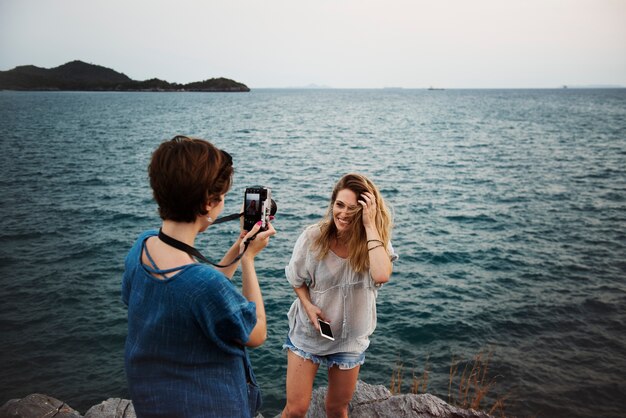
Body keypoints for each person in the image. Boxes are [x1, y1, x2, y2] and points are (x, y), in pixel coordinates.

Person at [121, 135, 276, 418]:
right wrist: (249, 260)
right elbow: (256, 333)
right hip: (209, 407)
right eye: (223, 195)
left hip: (154, 402)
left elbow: (196, 290)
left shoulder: (141, 247)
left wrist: (239, 247)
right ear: (208, 203)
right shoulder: (202, 284)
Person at [281, 173, 397, 418]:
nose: (343, 213)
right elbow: (296, 279)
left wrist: (369, 225)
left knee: (336, 409)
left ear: (366, 210)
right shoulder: (313, 237)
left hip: (349, 340)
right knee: (295, 409)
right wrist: (308, 306)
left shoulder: (374, 242)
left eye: (353, 209)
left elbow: (381, 274)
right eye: (339, 205)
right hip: (310, 333)